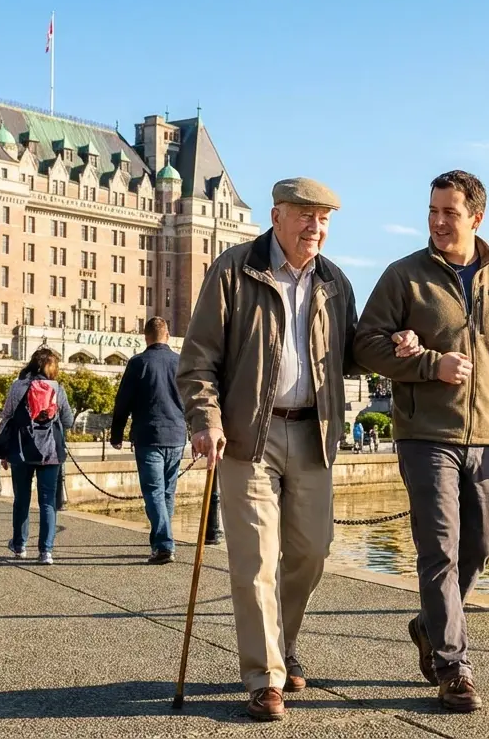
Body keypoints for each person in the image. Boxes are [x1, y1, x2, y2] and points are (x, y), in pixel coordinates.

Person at [177, 177, 419, 721]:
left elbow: (351, 355)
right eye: (306, 217)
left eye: (325, 220)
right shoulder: (234, 270)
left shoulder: (334, 281)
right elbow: (198, 360)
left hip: (315, 434)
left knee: (311, 552)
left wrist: (396, 343)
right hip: (247, 436)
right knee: (255, 557)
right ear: (277, 216)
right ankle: (265, 677)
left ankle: (282, 641)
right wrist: (205, 420)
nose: (317, 228)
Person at [354, 170, 489, 713]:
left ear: (476, 218)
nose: (439, 222)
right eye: (433, 212)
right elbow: (365, 346)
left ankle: (427, 624)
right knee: (438, 548)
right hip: (425, 436)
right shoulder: (403, 276)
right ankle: (453, 665)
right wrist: (426, 364)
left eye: (450, 213)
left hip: (487, 436)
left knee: (480, 548)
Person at [109, 316, 186, 565]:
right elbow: (191, 399)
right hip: (176, 435)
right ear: (168, 335)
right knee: (167, 492)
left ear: (146, 336)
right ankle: (161, 543)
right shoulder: (180, 362)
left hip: (148, 435)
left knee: (153, 492)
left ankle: (164, 545)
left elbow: (123, 402)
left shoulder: (138, 363)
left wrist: (117, 433)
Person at [0, 348, 74, 565]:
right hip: (50, 453)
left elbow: (6, 418)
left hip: (21, 450)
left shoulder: (17, 386)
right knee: (48, 502)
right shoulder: (57, 388)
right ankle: (46, 551)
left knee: (21, 499)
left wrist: (3, 452)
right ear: (51, 367)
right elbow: (68, 421)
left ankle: (20, 546)